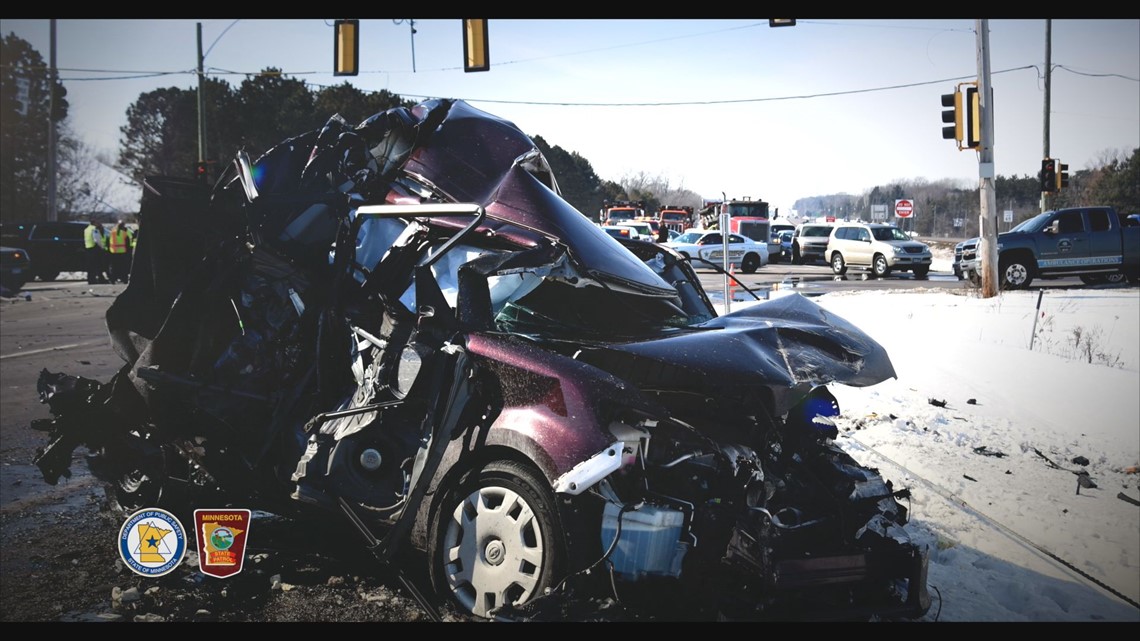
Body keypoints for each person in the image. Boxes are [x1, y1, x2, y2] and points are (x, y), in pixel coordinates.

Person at [83, 217, 109, 284]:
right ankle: (98, 279)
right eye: (97, 223)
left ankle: (90, 279)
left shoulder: (86, 229)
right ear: (94, 223)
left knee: (90, 266)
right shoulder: (94, 229)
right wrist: (102, 247)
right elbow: (97, 239)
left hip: (87, 248)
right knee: (96, 265)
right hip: (94, 248)